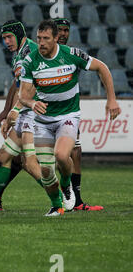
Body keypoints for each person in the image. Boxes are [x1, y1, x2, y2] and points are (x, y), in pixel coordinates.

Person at [19, 20, 121, 217]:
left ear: (56, 38)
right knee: (47, 171)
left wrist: (112, 100)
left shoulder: (72, 55)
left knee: (61, 155)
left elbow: (103, 68)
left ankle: (66, 186)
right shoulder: (30, 61)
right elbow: (22, 95)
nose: (41, 43)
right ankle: (56, 205)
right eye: (39, 38)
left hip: (68, 116)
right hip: (42, 121)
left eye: (46, 39)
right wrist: (32, 104)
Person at [0, 20, 43, 210]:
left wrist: (13, 113)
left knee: (27, 162)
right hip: (27, 112)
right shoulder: (19, 54)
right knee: (7, 156)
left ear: (19, 35)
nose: (6, 41)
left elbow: (27, 90)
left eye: (9, 37)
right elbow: (17, 86)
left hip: (35, 114)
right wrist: (7, 110)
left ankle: (61, 198)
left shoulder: (30, 53)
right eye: (4, 38)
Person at [53, 18, 103, 211]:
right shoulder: (41, 54)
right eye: (60, 30)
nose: (64, 34)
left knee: (75, 153)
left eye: (66, 30)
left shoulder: (72, 54)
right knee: (22, 158)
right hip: (44, 114)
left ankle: (77, 201)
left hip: (67, 114)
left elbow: (98, 66)